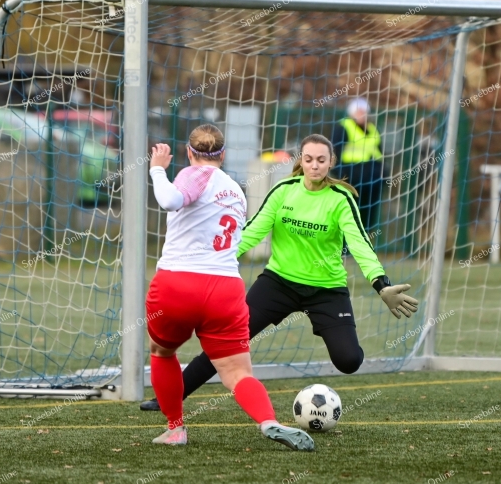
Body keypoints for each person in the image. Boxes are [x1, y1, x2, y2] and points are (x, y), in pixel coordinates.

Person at [140, 133, 417, 412]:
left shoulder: (341, 199)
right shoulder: (284, 190)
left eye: (321, 160)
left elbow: (359, 244)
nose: (315, 165)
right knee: (227, 343)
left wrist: (381, 284)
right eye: (308, 159)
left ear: (331, 162)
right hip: (278, 284)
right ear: (301, 161)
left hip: (326, 289)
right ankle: (172, 397)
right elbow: (250, 233)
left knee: (348, 361)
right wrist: (212, 261)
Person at [144, 124, 314, 451]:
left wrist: (156, 169)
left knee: (162, 351)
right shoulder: (235, 190)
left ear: (189, 152)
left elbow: (168, 200)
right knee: (237, 372)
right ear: (222, 154)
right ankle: (268, 420)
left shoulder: (194, 174)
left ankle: (175, 428)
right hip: (225, 289)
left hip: (178, 283)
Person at [331, 97, 385, 234]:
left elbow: (378, 151)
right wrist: (341, 175)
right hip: (351, 176)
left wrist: (382, 172)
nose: (361, 114)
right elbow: (334, 152)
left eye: (363, 111)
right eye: (358, 111)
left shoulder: (373, 129)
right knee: (350, 210)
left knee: (368, 212)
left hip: (372, 176)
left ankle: (363, 241)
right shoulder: (344, 127)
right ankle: (344, 245)